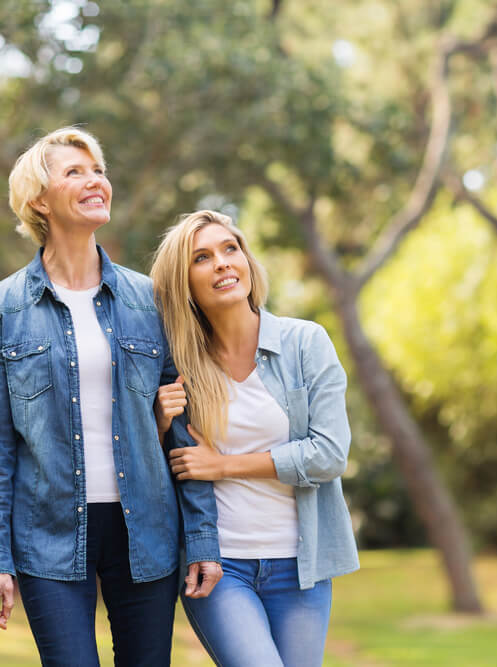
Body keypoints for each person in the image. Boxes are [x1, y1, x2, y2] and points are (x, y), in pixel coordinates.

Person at [0, 127, 222, 666]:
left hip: (146, 529)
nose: (95, 181)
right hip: (48, 535)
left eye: (98, 171)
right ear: (39, 199)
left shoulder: (149, 299)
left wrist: (201, 538)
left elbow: (185, 431)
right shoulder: (3, 308)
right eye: (74, 172)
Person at [150, 209, 360, 667]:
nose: (223, 263)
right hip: (220, 566)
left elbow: (328, 455)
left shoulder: (306, 343)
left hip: (300, 567)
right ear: (183, 283)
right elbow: (158, 476)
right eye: (201, 257)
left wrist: (224, 465)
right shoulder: (177, 365)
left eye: (231, 249)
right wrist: (161, 430)